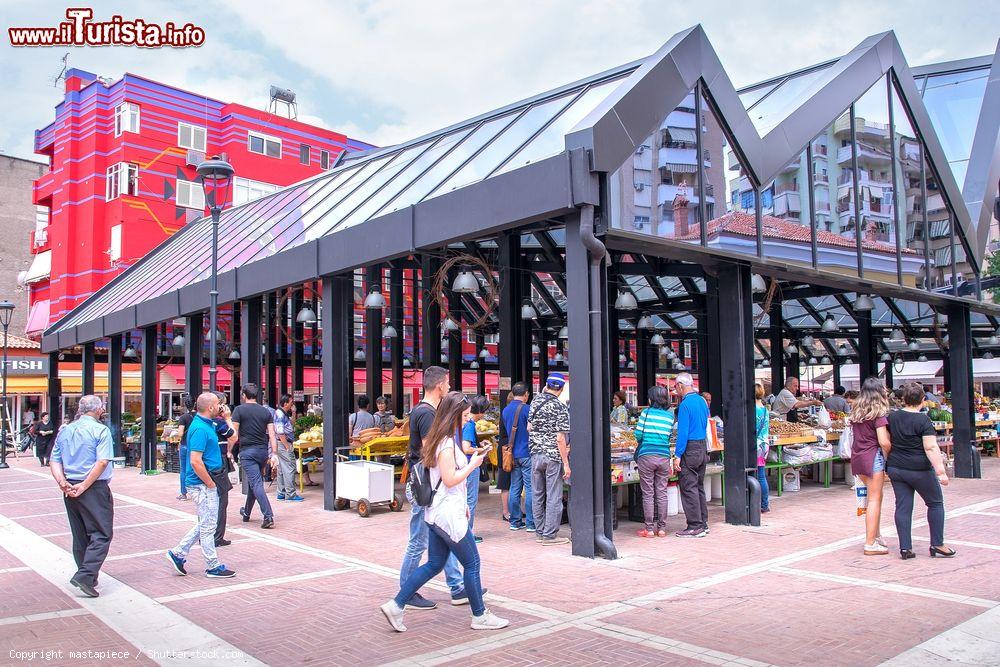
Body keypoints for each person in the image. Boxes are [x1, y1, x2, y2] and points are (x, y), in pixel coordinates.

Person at [381, 391, 507, 633]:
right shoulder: (447, 444)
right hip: (448, 515)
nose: (470, 419)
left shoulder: (440, 439)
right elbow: (450, 479)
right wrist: (473, 465)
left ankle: (396, 604)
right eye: (467, 415)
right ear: (455, 415)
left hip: (438, 513)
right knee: (472, 563)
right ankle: (480, 615)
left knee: (435, 564)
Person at [399, 366, 467, 609]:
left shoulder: (424, 410)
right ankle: (406, 592)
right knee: (418, 542)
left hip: (428, 486)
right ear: (439, 386)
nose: (448, 387)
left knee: (443, 537)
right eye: (447, 383)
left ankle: (458, 586)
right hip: (425, 487)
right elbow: (432, 451)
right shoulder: (427, 414)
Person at [49, 395, 114, 598]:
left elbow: (55, 459)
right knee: (102, 533)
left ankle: (88, 576)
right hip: (93, 487)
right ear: (98, 410)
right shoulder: (100, 430)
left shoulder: (65, 430)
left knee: (80, 534)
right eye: (102, 407)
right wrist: (85, 485)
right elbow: (102, 461)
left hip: (70, 485)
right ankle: (85, 575)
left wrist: (62, 483)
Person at [166, 392, 236, 579]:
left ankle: (179, 553)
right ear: (211, 407)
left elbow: (232, 436)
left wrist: (226, 419)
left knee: (207, 521)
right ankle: (212, 564)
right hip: (202, 484)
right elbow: (195, 461)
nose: (220, 407)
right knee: (208, 525)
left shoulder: (207, 424)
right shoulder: (200, 428)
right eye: (217, 404)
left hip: (205, 482)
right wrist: (210, 483)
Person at [887, 382, 956, 560]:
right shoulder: (923, 420)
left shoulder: (892, 417)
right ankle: (937, 544)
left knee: (903, 506)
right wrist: (941, 472)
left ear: (903, 399)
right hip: (919, 469)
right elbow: (931, 447)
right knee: (935, 503)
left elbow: (887, 440)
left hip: (896, 467)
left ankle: (905, 548)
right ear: (923, 400)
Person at [528, 373, 571, 546]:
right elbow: (560, 439)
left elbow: (529, 428)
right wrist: (566, 463)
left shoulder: (535, 402)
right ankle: (549, 535)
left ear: (546, 385)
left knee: (537, 494)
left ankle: (539, 532)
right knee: (554, 495)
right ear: (560, 389)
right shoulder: (560, 408)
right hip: (553, 456)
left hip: (535, 454)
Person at [850, 376, 891, 556]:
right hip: (873, 457)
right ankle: (870, 543)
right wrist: (889, 453)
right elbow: (884, 441)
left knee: (873, 498)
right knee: (874, 500)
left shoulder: (857, 411)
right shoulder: (878, 414)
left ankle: (876, 535)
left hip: (858, 457)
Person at [232, 383, 278, 529]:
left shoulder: (239, 410)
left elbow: (233, 434)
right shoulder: (266, 412)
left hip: (247, 452)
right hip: (262, 452)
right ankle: (246, 512)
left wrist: (229, 450)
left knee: (257, 483)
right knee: (255, 482)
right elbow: (272, 435)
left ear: (244, 395)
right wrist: (274, 454)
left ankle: (268, 515)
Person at [634, 385, 675, 537]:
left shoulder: (646, 413)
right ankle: (662, 528)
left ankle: (649, 529)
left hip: (647, 455)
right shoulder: (670, 416)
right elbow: (669, 436)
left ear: (652, 399)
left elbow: (638, 435)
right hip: (664, 456)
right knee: (662, 492)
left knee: (648, 493)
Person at [673, 372, 710, 538]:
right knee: (699, 486)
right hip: (702, 446)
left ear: (681, 385)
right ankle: (703, 523)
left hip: (690, 448)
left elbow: (683, 432)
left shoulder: (685, 405)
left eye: (675, 387)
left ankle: (695, 525)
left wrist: (677, 455)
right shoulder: (702, 401)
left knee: (689, 487)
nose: (676, 390)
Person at [502, 384, 533, 532]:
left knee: (514, 487)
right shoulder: (527, 409)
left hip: (512, 455)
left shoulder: (505, 410)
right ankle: (531, 523)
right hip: (527, 453)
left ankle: (515, 521)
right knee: (530, 488)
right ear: (526, 394)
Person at [460, 396, 491, 543]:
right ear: (480, 411)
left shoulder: (462, 423)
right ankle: (468, 534)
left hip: (463, 465)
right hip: (470, 465)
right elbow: (466, 448)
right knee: (471, 500)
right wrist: (483, 448)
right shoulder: (470, 424)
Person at [211, 391, 237, 547]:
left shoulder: (203, 421)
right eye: (224, 403)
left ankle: (209, 534)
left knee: (211, 499)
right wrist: (228, 418)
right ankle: (217, 536)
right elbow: (233, 436)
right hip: (217, 463)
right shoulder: (218, 422)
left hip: (209, 462)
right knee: (222, 499)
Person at [274, 394, 304, 502]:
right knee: (290, 468)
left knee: (282, 469)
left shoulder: (284, 414)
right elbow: (280, 432)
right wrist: (287, 446)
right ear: (285, 403)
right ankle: (290, 494)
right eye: (291, 402)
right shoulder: (280, 414)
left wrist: (294, 412)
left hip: (282, 444)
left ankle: (281, 492)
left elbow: (292, 423)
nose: (292, 404)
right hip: (284, 444)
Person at [175, 395, 196, 500]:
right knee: (195, 468)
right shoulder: (198, 416)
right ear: (195, 403)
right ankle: (196, 491)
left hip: (185, 445)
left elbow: (180, 433)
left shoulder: (183, 417)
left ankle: (183, 493)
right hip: (196, 445)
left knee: (183, 469)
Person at [754, 384, 771, 513]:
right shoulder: (765, 410)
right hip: (764, 444)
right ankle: (765, 504)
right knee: (761, 475)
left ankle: (760, 503)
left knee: (758, 475)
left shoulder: (752, 410)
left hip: (755, 445)